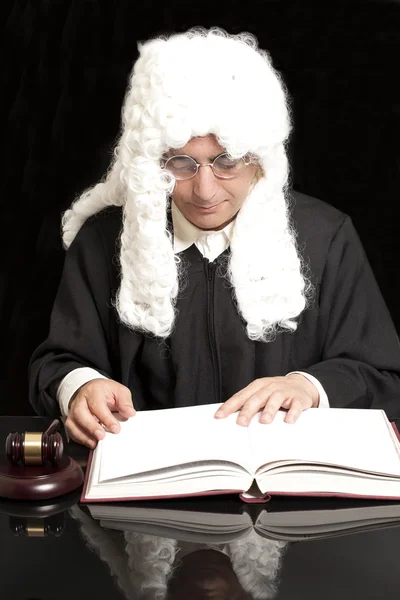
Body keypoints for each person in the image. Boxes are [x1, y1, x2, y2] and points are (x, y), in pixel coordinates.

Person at [29, 27, 400, 448]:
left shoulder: (327, 237)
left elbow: (383, 375)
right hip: (144, 495)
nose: (205, 191)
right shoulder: (102, 242)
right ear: (152, 161)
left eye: (226, 162)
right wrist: (79, 387)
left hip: (283, 497)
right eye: (182, 163)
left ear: (260, 159)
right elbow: (58, 361)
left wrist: (309, 387)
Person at [69, 504, 286, 600]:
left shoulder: (110, 521)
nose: (208, 592)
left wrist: (75, 406)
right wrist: (316, 407)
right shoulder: (296, 520)